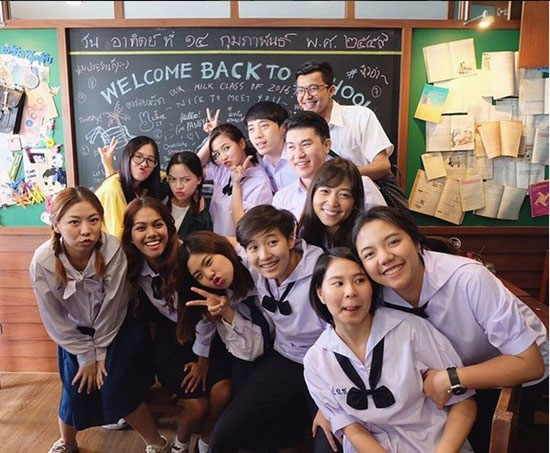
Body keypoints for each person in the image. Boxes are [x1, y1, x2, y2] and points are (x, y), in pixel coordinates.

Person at [352, 206, 548, 453]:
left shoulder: (469, 279)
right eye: (369, 254)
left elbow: (530, 364)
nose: (384, 258)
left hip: (513, 374)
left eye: (393, 242)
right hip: (445, 381)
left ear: (416, 242)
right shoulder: (376, 297)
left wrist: (451, 378)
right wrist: (333, 409)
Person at [29, 187, 170, 453]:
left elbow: (114, 305)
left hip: (116, 327)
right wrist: (85, 354)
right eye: (74, 222)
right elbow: (53, 317)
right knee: (75, 387)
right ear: (56, 225)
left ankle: (156, 443)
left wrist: (100, 352)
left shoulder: (111, 249)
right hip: (73, 333)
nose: (86, 230)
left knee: (117, 386)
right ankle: (67, 443)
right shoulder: (43, 260)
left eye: (93, 220)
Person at [304, 247, 477, 452]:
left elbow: (464, 402)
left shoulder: (411, 330)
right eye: (338, 283)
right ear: (320, 293)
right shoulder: (316, 361)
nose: (351, 292)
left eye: (360, 280)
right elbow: (352, 428)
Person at [198, 204, 335, 453]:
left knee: (328, 444)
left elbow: (341, 336)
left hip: (326, 365)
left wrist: (329, 404)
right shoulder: (253, 267)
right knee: (225, 431)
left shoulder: (323, 271)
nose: (264, 256)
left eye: (272, 242)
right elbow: (228, 246)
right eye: (254, 248)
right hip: (286, 358)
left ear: (291, 238)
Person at [121, 197, 231, 453]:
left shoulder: (186, 258)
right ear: (130, 236)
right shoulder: (131, 264)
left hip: (206, 332)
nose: (151, 233)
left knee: (223, 391)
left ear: (169, 227)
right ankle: (180, 446)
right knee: (197, 406)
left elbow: (204, 314)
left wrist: (202, 360)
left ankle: (207, 437)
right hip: (171, 338)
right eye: (141, 228)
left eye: (157, 224)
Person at [180, 230, 303, 452]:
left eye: (209, 262)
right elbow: (250, 348)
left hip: (292, 347)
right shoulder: (215, 298)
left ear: (222, 249)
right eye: (199, 275)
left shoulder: (256, 264)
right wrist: (227, 315)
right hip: (253, 350)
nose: (210, 274)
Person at [295, 61, 408, 211]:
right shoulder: (298, 131)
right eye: (300, 90)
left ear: (331, 90)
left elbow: (382, 165)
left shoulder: (359, 117)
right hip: (326, 208)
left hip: (367, 204)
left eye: (313, 89)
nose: (306, 96)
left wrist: (341, 175)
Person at [273, 111, 385, 221]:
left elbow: (383, 230)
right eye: (291, 147)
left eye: (306, 144)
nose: (299, 154)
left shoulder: (361, 185)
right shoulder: (282, 198)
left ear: (326, 145)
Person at [198, 123, 273, 236]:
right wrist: (211, 137)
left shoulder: (259, 182)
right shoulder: (224, 170)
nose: (223, 157)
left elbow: (246, 231)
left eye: (226, 148)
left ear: (242, 143)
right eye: (217, 154)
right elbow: (192, 168)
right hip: (217, 242)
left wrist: (236, 184)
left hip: (238, 246)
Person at [95, 136, 163, 238]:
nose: (144, 164)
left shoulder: (140, 189)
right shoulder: (113, 189)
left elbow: (167, 175)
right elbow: (119, 237)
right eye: (138, 157)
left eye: (150, 160)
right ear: (128, 158)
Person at [298, 158, 365, 250]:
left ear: (355, 201)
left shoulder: (365, 237)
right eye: (325, 191)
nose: (332, 202)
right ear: (312, 193)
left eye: (343, 195)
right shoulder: (300, 235)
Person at [244, 101, 297, 192]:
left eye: (264, 126)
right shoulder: (259, 166)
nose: (257, 135)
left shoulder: (300, 159)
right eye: (251, 129)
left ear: (283, 128)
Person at [164, 151, 212, 239]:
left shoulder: (202, 217)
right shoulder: (159, 199)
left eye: (185, 180)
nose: (178, 186)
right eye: (172, 179)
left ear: (199, 179)